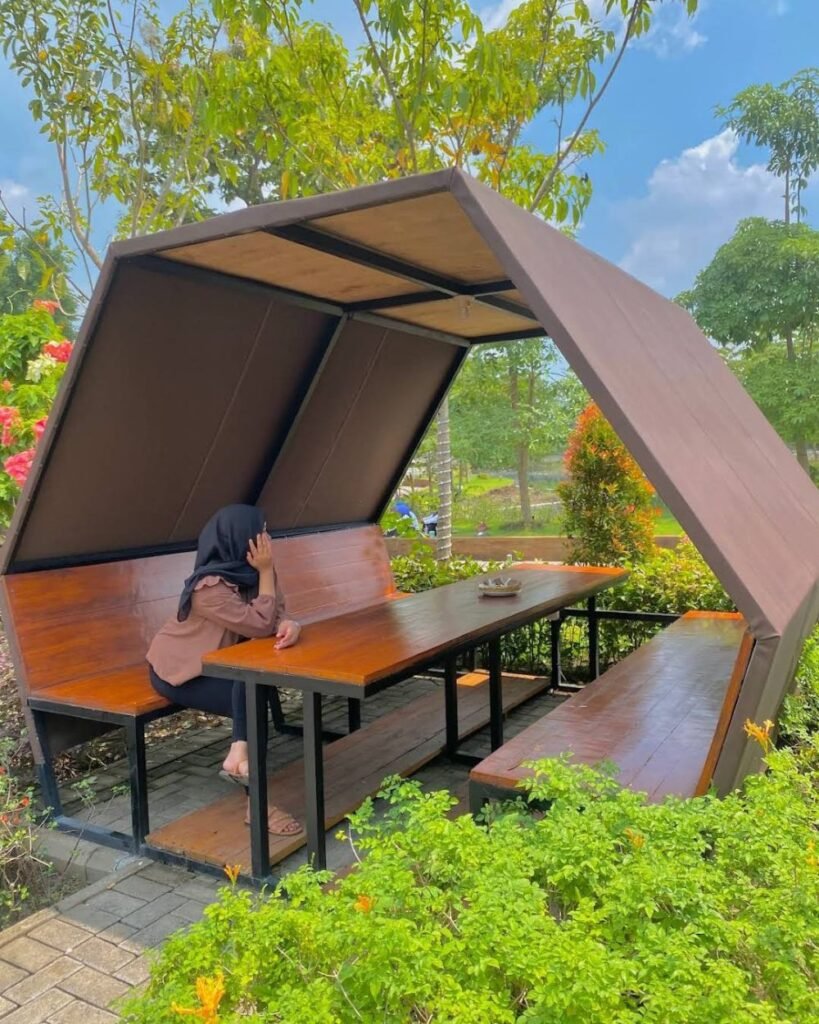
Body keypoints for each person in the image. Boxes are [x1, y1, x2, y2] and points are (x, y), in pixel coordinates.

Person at [146, 504, 303, 836]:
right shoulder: (209, 588)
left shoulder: (254, 572)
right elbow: (261, 625)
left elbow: (275, 614)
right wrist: (266, 573)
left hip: (222, 665)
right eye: (261, 532)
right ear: (240, 538)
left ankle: (240, 755)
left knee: (251, 684)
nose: (267, 539)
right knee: (251, 690)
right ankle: (256, 802)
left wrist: (291, 625)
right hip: (180, 671)